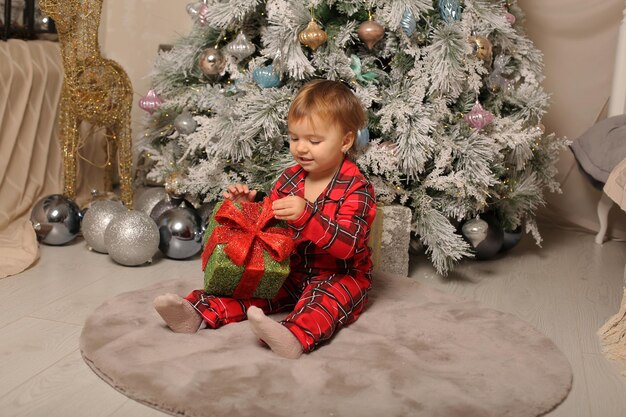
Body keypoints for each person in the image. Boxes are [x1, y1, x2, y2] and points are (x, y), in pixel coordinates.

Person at [154, 79, 377, 359]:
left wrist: (308, 215)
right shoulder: (290, 178)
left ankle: (294, 336)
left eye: (314, 141)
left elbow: (348, 245)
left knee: (326, 300)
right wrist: (247, 208)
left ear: (345, 141)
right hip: (291, 270)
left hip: (339, 274)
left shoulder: (356, 188)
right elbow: (269, 225)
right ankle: (195, 312)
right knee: (250, 285)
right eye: (295, 138)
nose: (302, 148)